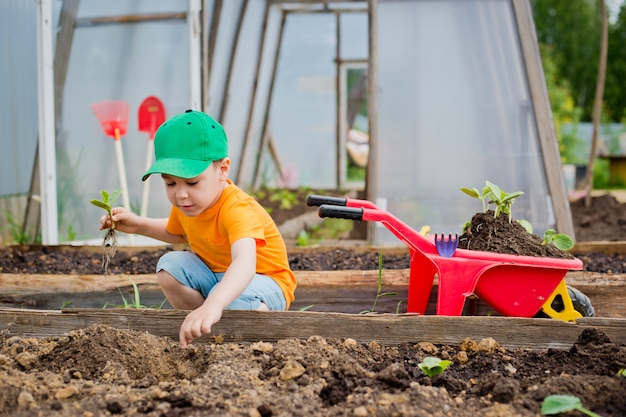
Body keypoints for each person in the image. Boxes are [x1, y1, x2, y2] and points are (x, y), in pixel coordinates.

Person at [99, 109, 296, 348]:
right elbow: (176, 232)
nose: (181, 194)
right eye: (170, 183)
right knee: (169, 267)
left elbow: (245, 263)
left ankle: (253, 332)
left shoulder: (237, 208)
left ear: (222, 170)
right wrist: (138, 225)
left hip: (263, 281)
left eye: (192, 182)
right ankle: (203, 328)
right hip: (216, 277)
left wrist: (214, 303)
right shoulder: (189, 205)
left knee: (237, 300)